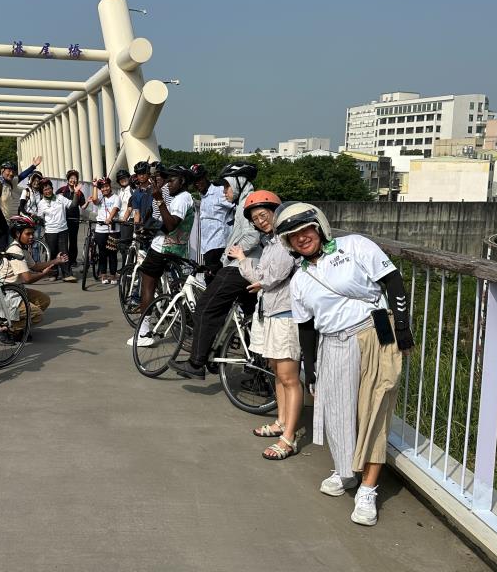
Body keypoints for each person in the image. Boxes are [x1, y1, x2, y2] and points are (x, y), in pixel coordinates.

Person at [276, 202, 415, 526]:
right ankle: (346, 471)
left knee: (374, 409)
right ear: (288, 243)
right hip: (334, 342)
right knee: (337, 413)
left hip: (374, 332)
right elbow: (306, 327)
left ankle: (368, 488)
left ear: (318, 226)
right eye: (293, 236)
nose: (301, 238)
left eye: (305, 230)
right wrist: (308, 366)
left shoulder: (354, 246)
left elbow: (392, 280)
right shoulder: (300, 281)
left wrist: (404, 328)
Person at [171, 162, 260, 379]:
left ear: (238, 183)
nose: (225, 191)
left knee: (205, 308)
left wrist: (230, 253)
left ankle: (196, 363)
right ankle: (255, 369)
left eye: (227, 186)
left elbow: (252, 236)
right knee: (251, 318)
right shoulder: (246, 200)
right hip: (250, 268)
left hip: (240, 267)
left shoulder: (247, 204)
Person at [233, 191, 304, 460]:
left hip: (286, 314)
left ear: (277, 211)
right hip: (271, 313)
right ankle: (282, 422)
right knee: (277, 372)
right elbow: (263, 276)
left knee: (289, 377)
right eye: (256, 219)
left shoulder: (286, 243)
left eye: (264, 215)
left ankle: (290, 437)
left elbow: (270, 277)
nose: (261, 221)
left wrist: (243, 261)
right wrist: (253, 271)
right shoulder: (272, 242)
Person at [127, 165, 195, 347]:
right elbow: (168, 224)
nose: (168, 184)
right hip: (174, 248)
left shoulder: (182, 198)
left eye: (171, 180)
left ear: (183, 181)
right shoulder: (183, 198)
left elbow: (172, 224)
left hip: (163, 248)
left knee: (147, 284)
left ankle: (143, 333)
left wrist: (159, 200)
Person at [0, 215, 69, 335]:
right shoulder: (15, 251)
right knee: (37, 315)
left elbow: (35, 266)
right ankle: (4, 328)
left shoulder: (22, 249)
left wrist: (56, 261)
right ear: (17, 234)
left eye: (33, 233)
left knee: (44, 300)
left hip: (17, 290)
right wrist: (44, 274)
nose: (32, 237)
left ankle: (16, 326)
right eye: (28, 234)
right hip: (7, 296)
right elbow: (28, 279)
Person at [191, 164, 234, 284]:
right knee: (210, 283)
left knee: (215, 283)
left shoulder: (219, 191)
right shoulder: (203, 196)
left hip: (220, 245)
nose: (197, 183)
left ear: (205, 177)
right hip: (208, 247)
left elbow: (236, 206)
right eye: (194, 182)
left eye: (199, 179)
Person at [36, 178, 80, 282]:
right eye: (45, 190)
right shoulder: (41, 203)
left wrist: (76, 193)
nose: (48, 191)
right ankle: (54, 273)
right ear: (42, 191)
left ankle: (67, 274)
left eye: (49, 188)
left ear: (52, 188)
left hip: (63, 230)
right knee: (52, 252)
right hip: (50, 232)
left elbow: (73, 205)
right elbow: (40, 218)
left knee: (64, 252)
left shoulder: (60, 197)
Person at [88, 178, 121, 284]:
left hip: (113, 229)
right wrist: (94, 186)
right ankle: (103, 275)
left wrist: (110, 218)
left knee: (112, 253)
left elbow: (115, 209)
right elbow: (94, 200)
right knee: (102, 253)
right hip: (100, 229)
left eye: (106, 186)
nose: (105, 189)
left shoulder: (117, 197)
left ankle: (113, 275)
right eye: (102, 187)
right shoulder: (101, 198)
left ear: (110, 186)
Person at [56, 170, 85, 267]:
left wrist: (89, 201)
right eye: (71, 178)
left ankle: (72, 260)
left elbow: (83, 206)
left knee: (73, 240)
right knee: (63, 241)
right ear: (68, 180)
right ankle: (63, 260)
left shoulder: (79, 193)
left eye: (75, 178)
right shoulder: (61, 190)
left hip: (74, 219)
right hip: (63, 219)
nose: (73, 180)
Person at [115, 169, 134, 269]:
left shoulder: (131, 189)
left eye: (125, 178)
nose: (123, 180)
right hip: (121, 220)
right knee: (123, 246)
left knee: (125, 245)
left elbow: (130, 207)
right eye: (120, 179)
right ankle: (126, 267)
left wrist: (125, 219)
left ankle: (127, 268)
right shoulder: (120, 191)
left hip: (128, 220)